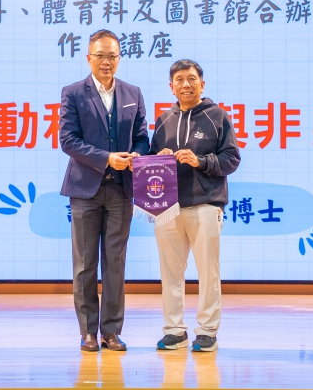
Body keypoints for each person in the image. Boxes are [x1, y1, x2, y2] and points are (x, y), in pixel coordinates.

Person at [59, 29, 150, 352]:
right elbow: (68, 140)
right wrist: (106, 158)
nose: (106, 62)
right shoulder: (73, 93)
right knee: (85, 264)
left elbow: (142, 137)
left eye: (112, 56)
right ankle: (88, 332)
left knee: (115, 262)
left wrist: (137, 154)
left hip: (122, 191)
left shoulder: (133, 93)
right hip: (85, 190)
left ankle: (111, 331)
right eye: (100, 56)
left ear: (119, 58)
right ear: (89, 58)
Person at [149, 59, 241, 352]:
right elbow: (149, 164)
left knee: (208, 272)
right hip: (167, 208)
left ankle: (207, 331)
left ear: (202, 84)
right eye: (179, 80)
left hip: (205, 204)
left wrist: (199, 161)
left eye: (191, 79)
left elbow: (231, 159)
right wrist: (158, 158)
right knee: (170, 273)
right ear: (171, 86)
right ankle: (174, 330)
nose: (185, 85)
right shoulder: (163, 120)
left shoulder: (217, 117)